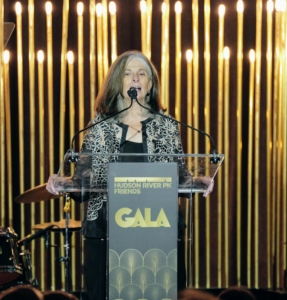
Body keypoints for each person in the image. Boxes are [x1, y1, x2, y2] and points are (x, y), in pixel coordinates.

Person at [46, 50, 214, 300]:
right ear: (118, 82)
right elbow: (82, 182)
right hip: (106, 234)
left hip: (160, 234)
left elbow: (179, 177)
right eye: (128, 73)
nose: (135, 78)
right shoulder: (99, 127)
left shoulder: (167, 126)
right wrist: (61, 182)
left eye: (141, 73)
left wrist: (198, 182)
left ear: (150, 84)